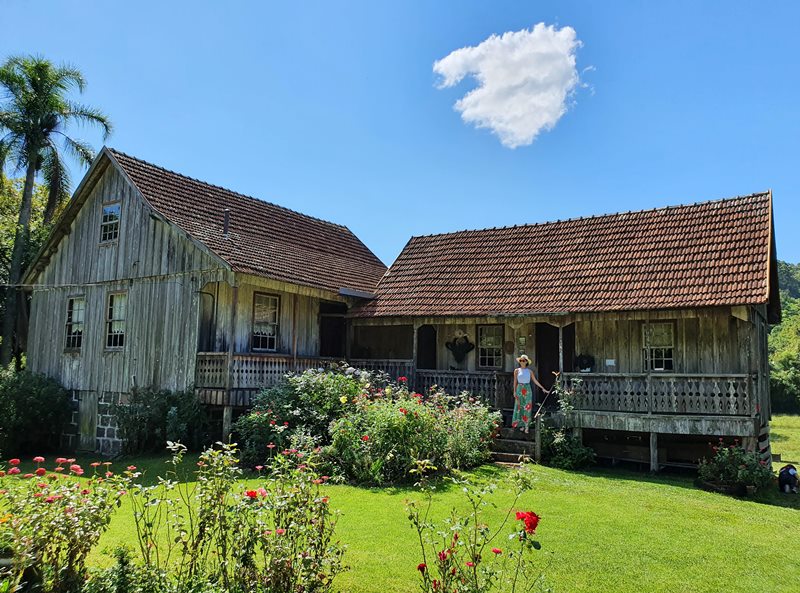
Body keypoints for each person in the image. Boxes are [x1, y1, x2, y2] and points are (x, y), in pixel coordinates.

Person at [512, 354, 549, 434]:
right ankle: (521, 425)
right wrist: (514, 391)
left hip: (527, 389)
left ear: (526, 362)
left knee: (527, 407)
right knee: (519, 407)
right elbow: (515, 382)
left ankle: (526, 426)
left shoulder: (529, 371)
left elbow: (535, 381)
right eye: (521, 360)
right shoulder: (516, 371)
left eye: (523, 360)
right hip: (519, 389)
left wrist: (543, 388)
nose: (522, 362)